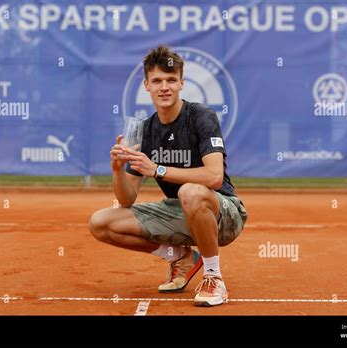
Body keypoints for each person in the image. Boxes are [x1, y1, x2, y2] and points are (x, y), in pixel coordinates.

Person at [89, 44, 247, 307]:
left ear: (182, 83)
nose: (165, 87)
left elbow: (215, 177)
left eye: (171, 80)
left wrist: (158, 170)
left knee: (189, 191)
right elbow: (126, 199)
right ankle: (180, 256)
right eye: (157, 80)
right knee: (100, 222)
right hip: (179, 212)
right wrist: (117, 170)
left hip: (224, 213)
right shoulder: (145, 129)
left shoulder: (201, 117)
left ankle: (213, 276)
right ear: (146, 85)